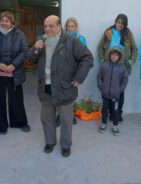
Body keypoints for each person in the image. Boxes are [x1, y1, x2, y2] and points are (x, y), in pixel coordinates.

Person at [28, 15, 93, 158]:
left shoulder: (70, 41)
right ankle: (50, 142)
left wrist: (78, 78)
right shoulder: (42, 40)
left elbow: (87, 58)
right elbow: (30, 59)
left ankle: (65, 145)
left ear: (59, 26)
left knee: (66, 120)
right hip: (45, 86)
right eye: (45, 26)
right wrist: (35, 48)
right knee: (47, 118)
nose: (47, 29)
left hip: (65, 88)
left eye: (51, 26)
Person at [0, 11, 30, 134]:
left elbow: (24, 51)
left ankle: (19, 122)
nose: (5, 23)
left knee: (16, 99)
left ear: (12, 23)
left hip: (14, 72)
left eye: (7, 20)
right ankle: (1, 126)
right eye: (2, 20)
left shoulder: (19, 34)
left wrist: (13, 65)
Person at [98, 13, 137, 121]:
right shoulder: (108, 32)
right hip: (108, 65)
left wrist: (131, 60)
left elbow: (134, 48)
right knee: (108, 89)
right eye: (118, 22)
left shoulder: (128, 33)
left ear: (125, 25)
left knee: (120, 91)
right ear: (115, 21)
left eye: (122, 23)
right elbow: (100, 46)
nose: (120, 24)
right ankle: (109, 113)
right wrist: (102, 60)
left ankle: (118, 113)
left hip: (122, 66)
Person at [97, 47, 128, 136]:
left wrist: (120, 90)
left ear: (119, 57)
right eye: (112, 55)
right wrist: (101, 87)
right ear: (109, 55)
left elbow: (125, 80)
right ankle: (103, 123)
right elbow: (99, 77)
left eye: (116, 55)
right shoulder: (104, 65)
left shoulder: (122, 68)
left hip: (116, 95)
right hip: (105, 93)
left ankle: (115, 125)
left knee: (115, 111)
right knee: (104, 109)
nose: (114, 57)